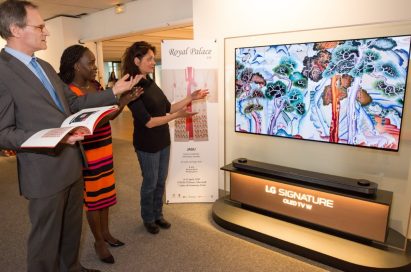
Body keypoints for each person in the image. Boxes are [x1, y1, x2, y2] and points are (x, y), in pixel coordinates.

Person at [0, 1, 141, 271]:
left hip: (72, 164)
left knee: (71, 231)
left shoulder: (43, 66)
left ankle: (73, 267)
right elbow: (3, 133)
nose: (46, 32)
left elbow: (73, 104)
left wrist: (114, 93)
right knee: (45, 243)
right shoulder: (3, 71)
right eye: (40, 26)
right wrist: (54, 137)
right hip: (43, 173)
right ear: (16, 29)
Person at [59, 44, 142, 264]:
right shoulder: (70, 93)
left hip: (104, 148)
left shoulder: (96, 87)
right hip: (87, 153)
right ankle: (98, 241)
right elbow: (91, 124)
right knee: (93, 200)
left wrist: (124, 101)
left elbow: (110, 117)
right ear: (77, 66)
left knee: (105, 195)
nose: (96, 67)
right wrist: (120, 100)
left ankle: (105, 233)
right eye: (91, 63)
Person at [121, 41, 208, 234]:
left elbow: (168, 108)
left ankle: (158, 215)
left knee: (161, 180)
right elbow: (149, 122)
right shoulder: (130, 89)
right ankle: (148, 218)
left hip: (162, 140)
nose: (153, 62)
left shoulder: (150, 83)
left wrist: (190, 97)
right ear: (137, 61)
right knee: (150, 182)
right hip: (147, 144)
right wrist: (177, 117)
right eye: (149, 59)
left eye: (153, 58)